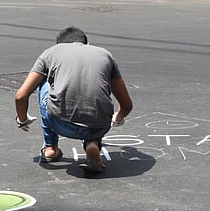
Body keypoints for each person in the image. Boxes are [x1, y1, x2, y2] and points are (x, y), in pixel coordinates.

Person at [13, 26, 133, 174]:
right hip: (99, 125)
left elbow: (21, 96)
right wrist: (118, 118)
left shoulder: (50, 53)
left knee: (42, 81)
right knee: (96, 94)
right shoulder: (104, 54)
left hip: (59, 121)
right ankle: (92, 143)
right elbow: (127, 105)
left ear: (59, 45)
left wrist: (22, 119)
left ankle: (51, 148)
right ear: (86, 43)